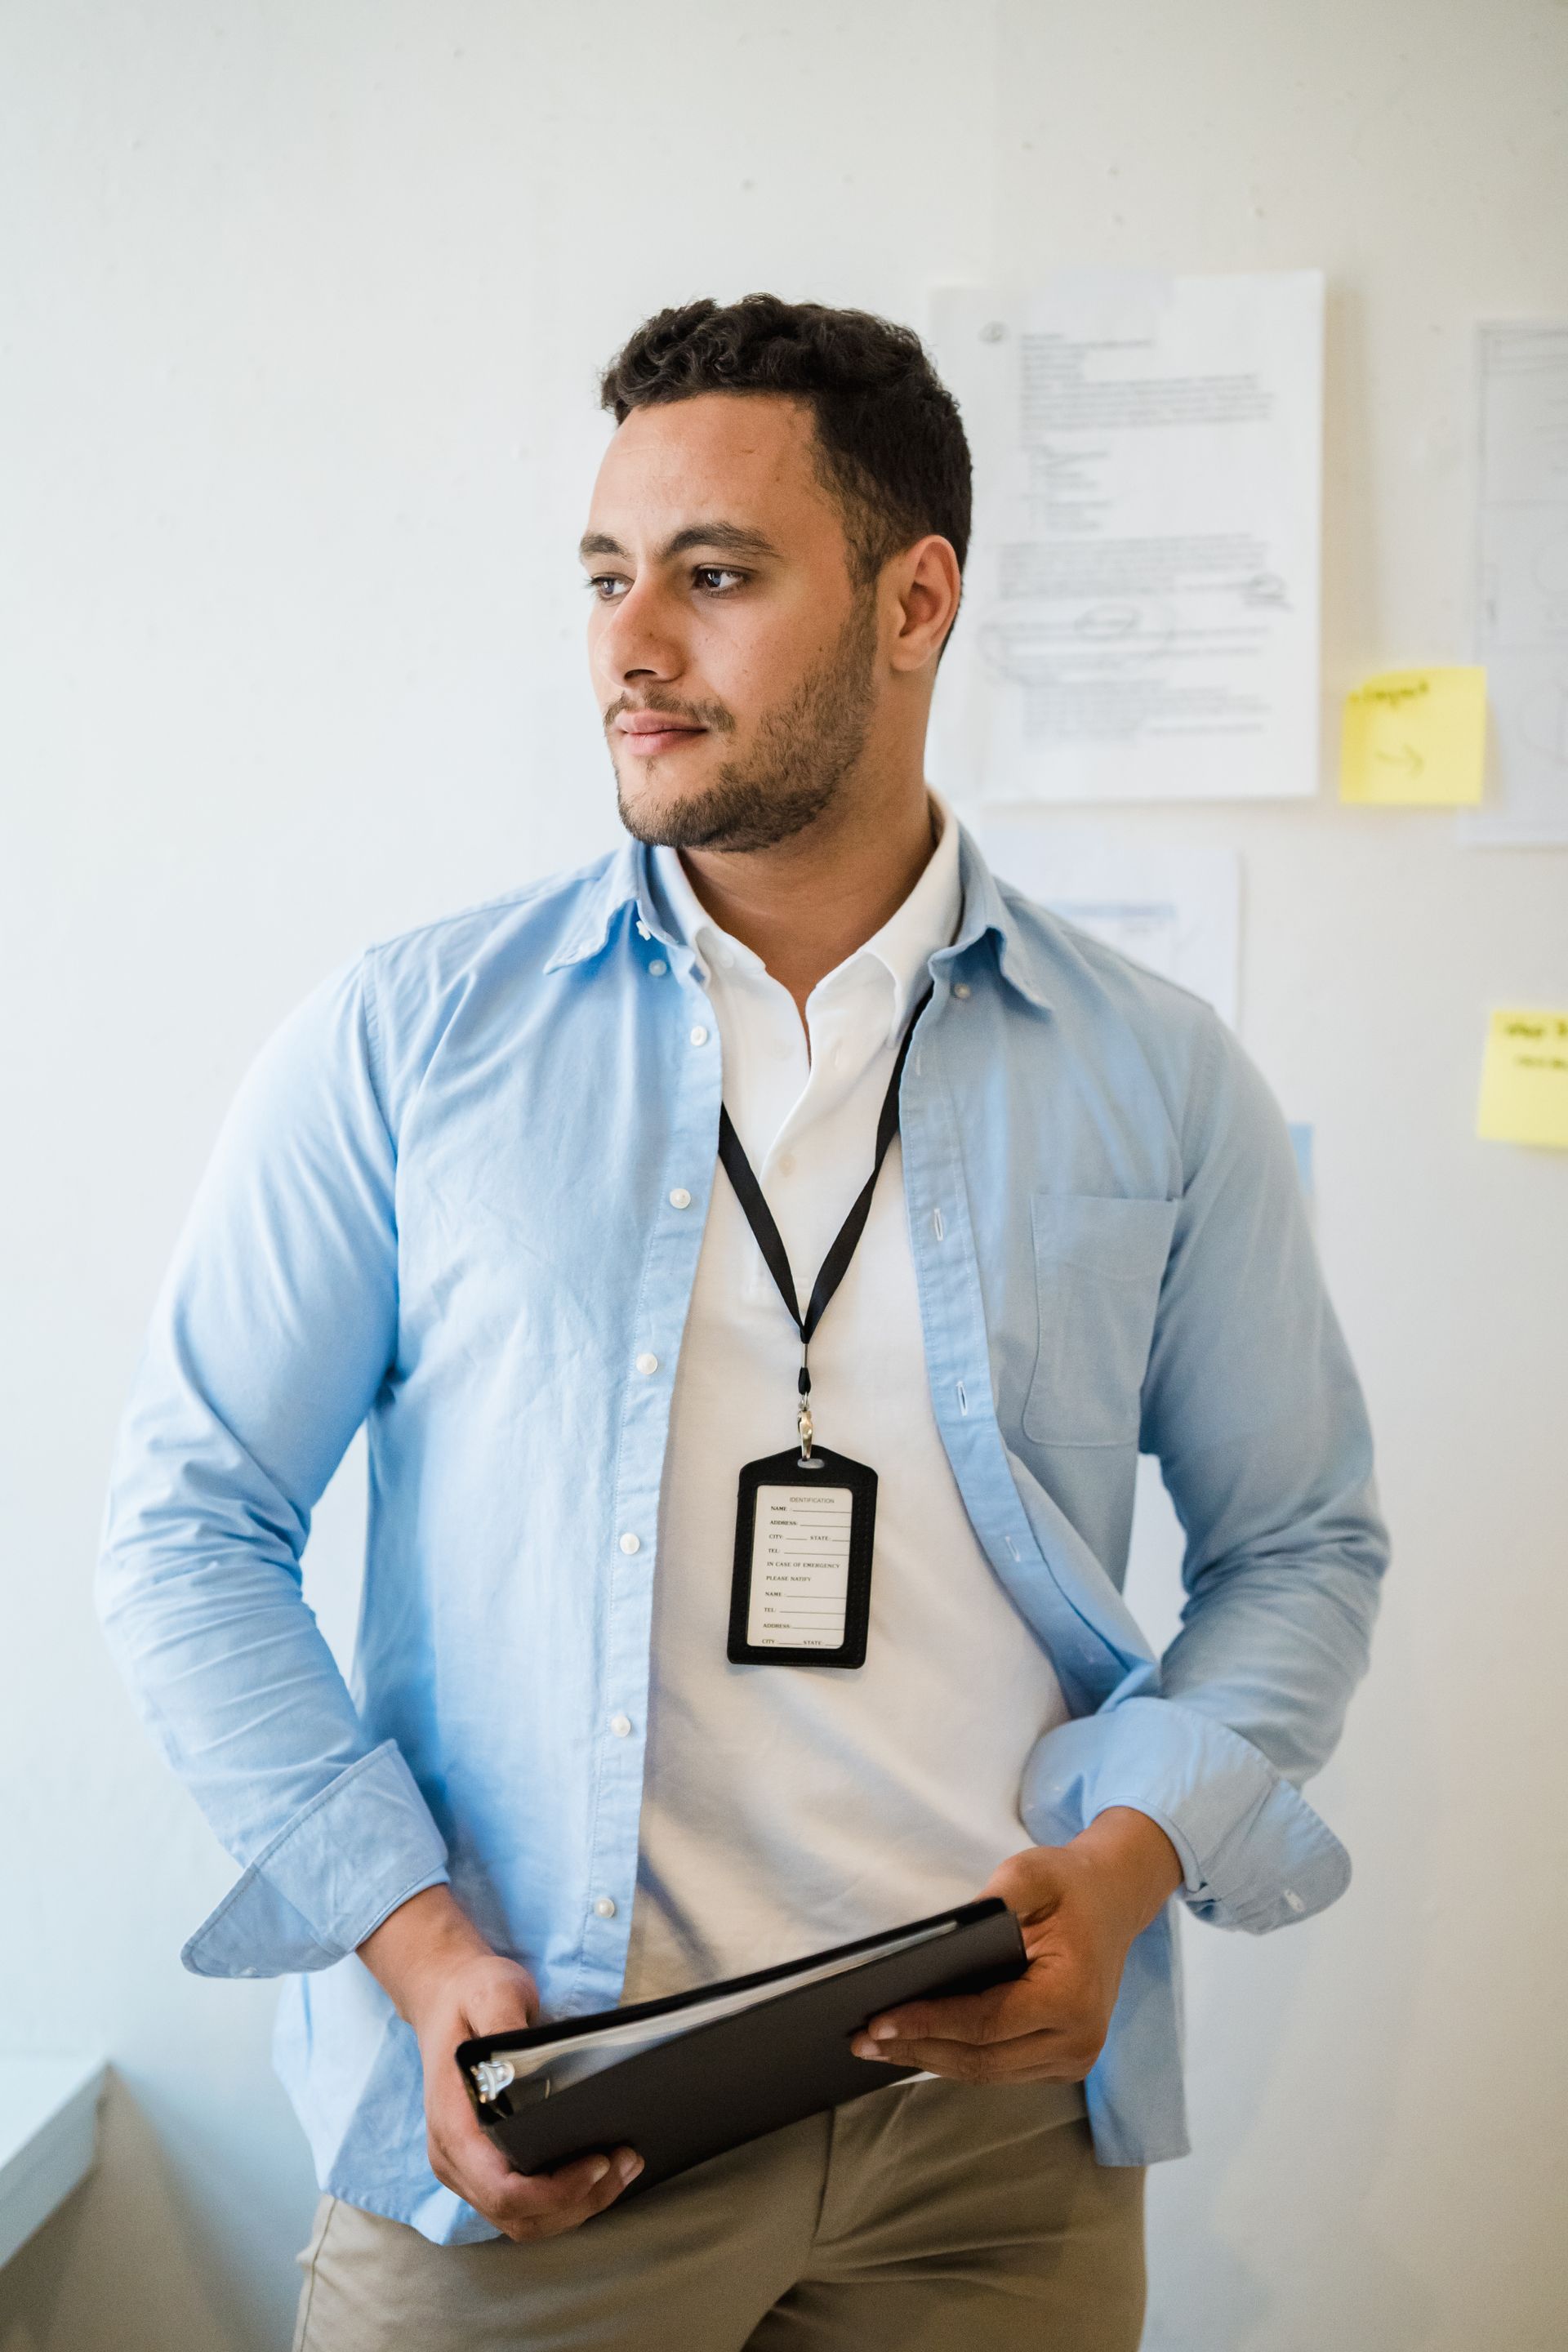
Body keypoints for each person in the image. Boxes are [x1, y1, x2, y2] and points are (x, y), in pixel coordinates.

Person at [97, 293, 1388, 2351]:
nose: (629, 643)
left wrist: (1140, 1860)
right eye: (609, 576)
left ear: (915, 600)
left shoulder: (1156, 1073)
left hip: (992, 2156)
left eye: (714, 575)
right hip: (540, 2131)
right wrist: (418, 1949)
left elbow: (1299, 1541)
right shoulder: (407, 1043)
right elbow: (185, 1527)